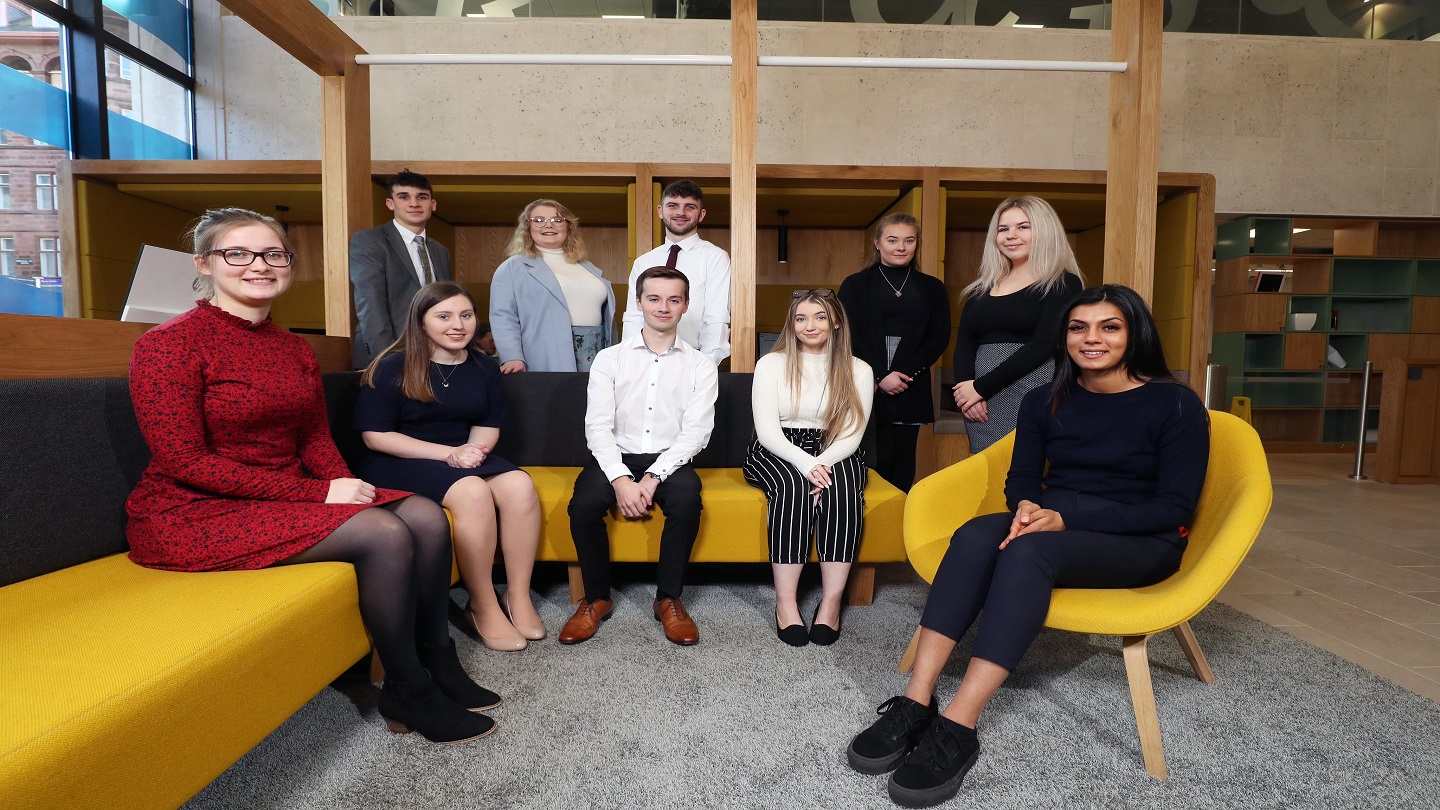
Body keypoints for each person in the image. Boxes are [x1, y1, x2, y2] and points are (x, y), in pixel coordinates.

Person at [126, 208, 494, 745]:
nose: (260, 265)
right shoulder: (168, 344)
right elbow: (186, 462)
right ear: (205, 263)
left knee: (424, 515)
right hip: (191, 509)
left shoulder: (293, 347)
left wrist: (348, 488)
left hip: (282, 495)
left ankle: (438, 655)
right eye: (239, 253)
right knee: (383, 532)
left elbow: (314, 440)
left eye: (274, 254)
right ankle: (406, 688)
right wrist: (321, 493)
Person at [846, 285, 1209, 807]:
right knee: (974, 534)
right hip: (1051, 520)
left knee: (1026, 552)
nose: (1092, 339)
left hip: (1137, 537)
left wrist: (1064, 517)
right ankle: (916, 700)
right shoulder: (1046, 398)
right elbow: (1022, 476)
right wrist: (1025, 508)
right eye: (1078, 327)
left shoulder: (1174, 403)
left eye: (1109, 327)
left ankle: (959, 724)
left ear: (1135, 334)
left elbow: (1174, 506)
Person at [355, 282, 546, 652]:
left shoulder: (483, 367)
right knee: (473, 490)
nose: (457, 325)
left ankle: (518, 597)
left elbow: (488, 425)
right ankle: (483, 603)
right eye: (443, 316)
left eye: (466, 315)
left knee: (520, 484)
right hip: (400, 458)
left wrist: (473, 450)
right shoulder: (391, 365)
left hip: (461, 453)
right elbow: (375, 437)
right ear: (422, 322)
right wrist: (449, 454)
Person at [560, 267, 719, 646]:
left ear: (685, 305)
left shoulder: (700, 364)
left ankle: (668, 599)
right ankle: (596, 598)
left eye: (673, 299)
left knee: (685, 501)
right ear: (638, 303)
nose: (663, 307)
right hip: (615, 455)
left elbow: (696, 433)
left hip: (671, 457)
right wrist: (620, 479)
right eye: (654, 298)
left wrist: (651, 478)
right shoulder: (609, 359)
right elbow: (597, 427)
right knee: (582, 505)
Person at [744, 289, 874, 647]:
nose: (809, 325)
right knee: (792, 488)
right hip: (779, 448)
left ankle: (830, 604)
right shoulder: (771, 363)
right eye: (801, 318)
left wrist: (822, 464)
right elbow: (767, 430)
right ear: (792, 324)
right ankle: (786, 604)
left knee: (843, 491)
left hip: (835, 447)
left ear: (834, 322)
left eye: (819, 317)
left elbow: (852, 433)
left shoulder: (858, 369)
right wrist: (806, 466)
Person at [951, 196, 1084, 452]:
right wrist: (966, 389)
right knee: (984, 473)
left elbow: (1045, 343)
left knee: (1023, 467)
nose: (1011, 235)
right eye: (1003, 229)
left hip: (1030, 390)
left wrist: (981, 387)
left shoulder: (1063, 283)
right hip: (979, 400)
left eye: (1023, 227)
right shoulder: (981, 288)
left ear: (1045, 231)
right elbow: (965, 340)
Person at [838, 213, 951, 492]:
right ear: (877, 243)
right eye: (892, 240)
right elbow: (846, 334)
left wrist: (902, 374)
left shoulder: (932, 288)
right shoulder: (855, 284)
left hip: (910, 380)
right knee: (867, 455)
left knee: (902, 461)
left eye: (909, 240)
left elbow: (939, 337)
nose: (901, 247)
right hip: (864, 377)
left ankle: (896, 521)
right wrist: (878, 374)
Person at [490, 199, 616, 373]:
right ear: (527, 227)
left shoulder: (586, 266)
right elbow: (503, 316)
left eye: (557, 220)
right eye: (539, 220)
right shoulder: (512, 268)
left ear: (568, 226)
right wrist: (512, 357)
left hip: (596, 351)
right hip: (545, 355)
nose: (548, 225)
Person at [349, 169, 452, 368]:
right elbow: (369, 302)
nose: (414, 203)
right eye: (404, 197)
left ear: (433, 205)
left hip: (433, 354)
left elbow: (445, 304)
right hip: (386, 354)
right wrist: (387, 358)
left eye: (421, 197)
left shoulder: (441, 251)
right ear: (390, 203)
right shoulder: (369, 241)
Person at [622, 180, 731, 364]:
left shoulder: (715, 258)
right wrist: (632, 362)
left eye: (690, 207)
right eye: (673, 206)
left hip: (693, 361)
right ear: (660, 211)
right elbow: (634, 318)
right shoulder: (643, 262)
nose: (681, 212)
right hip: (644, 363)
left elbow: (716, 320)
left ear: (701, 214)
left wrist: (704, 367)